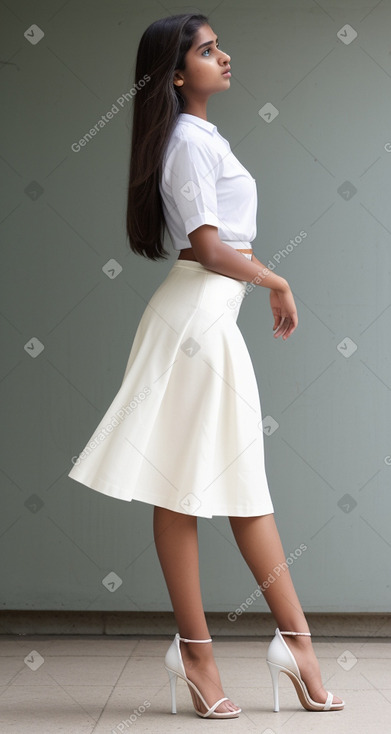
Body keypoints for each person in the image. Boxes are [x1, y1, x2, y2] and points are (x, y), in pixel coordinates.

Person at [68, 13, 345, 719]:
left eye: (219, 46)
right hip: (196, 319)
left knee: (219, 483)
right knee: (190, 487)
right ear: (175, 72)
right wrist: (277, 282)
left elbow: (216, 250)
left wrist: (259, 282)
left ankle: (283, 644)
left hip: (206, 313)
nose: (225, 56)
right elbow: (209, 246)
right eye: (208, 50)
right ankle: (211, 653)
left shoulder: (197, 137)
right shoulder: (187, 143)